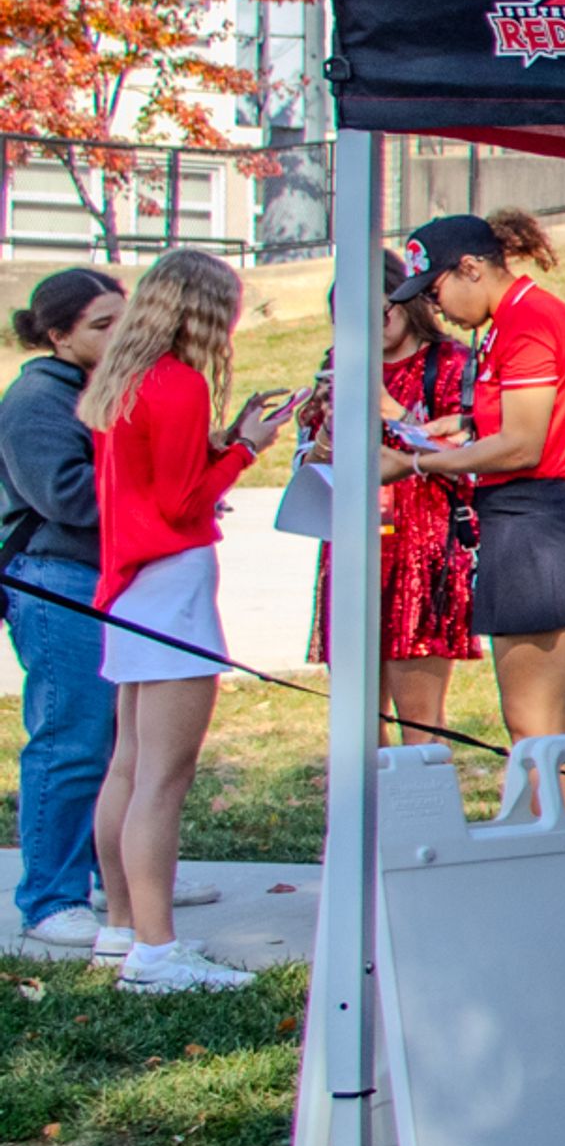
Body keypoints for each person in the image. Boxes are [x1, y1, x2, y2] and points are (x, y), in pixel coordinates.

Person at [81, 251, 292, 994]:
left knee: (130, 768)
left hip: (130, 584)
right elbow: (179, 502)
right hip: (171, 580)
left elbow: (154, 481)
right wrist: (243, 448)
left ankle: (120, 930)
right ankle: (157, 952)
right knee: (163, 781)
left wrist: (222, 441)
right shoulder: (177, 383)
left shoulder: (124, 379)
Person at [380, 209, 565, 748]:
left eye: (436, 290)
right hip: (544, 525)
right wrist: (471, 423)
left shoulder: (527, 323)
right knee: (556, 726)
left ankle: (556, 833)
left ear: (471, 268)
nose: (436, 308)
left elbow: (522, 445)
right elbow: (534, 416)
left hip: (538, 528)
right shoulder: (516, 321)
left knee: (533, 725)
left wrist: (415, 463)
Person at [4, 268, 123, 952]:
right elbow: (69, 497)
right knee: (70, 739)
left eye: (123, 320)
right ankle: (50, 897)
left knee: (114, 741)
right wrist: (161, 488)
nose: (120, 334)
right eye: (102, 325)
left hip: (104, 577)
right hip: (57, 582)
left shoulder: (93, 388)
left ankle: (109, 870)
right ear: (56, 334)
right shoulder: (34, 402)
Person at [299, 291, 478, 745]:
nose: (368, 328)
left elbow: (470, 459)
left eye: (379, 312)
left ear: (408, 300)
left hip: (424, 550)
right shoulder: (341, 367)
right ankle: (368, 816)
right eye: (351, 320)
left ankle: (421, 814)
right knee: (356, 723)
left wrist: (392, 412)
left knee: (419, 722)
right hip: (355, 547)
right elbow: (309, 470)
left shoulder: (452, 363)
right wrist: (326, 425)